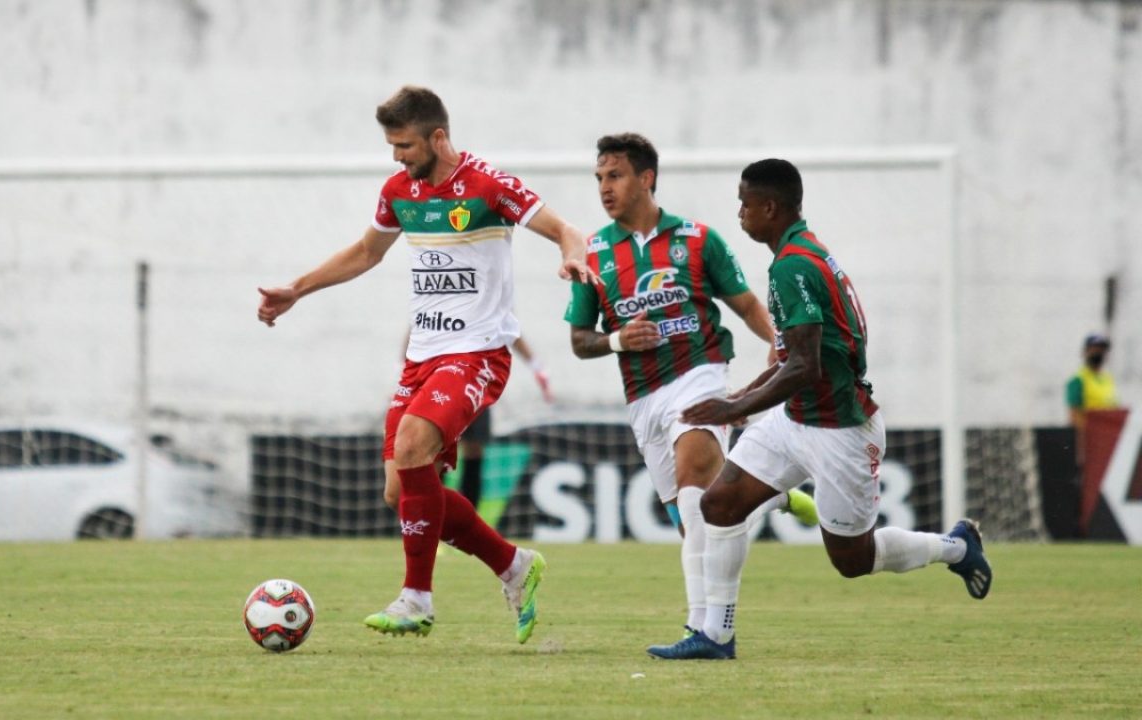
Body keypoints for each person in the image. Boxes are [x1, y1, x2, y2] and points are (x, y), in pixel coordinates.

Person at [257, 86, 597, 643]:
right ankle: (513, 565)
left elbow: (566, 229)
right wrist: (296, 290)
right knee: (403, 491)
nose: (397, 157)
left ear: (438, 137)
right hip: (422, 358)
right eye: (392, 146)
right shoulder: (399, 191)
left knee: (413, 448)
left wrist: (572, 253)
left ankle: (416, 599)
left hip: (478, 351)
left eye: (406, 145)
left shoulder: (489, 185)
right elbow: (366, 252)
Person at [669, 158, 993, 660]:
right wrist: (741, 405)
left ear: (770, 207)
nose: (739, 212)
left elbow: (804, 365)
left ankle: (955, 547)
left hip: (840, 430)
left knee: (853, 560)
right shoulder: (800, 252)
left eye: (744, 203)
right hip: (795, 418)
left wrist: (736, 403)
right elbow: (790, 357)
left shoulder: (793, 264)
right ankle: (715, 635)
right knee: (719, 504)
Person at [563, 134, 820, 658]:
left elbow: (746, 303)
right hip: (642, 399)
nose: (604, 188)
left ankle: (705, 631)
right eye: (599, 179)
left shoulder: (699, 240)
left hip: (699, 374)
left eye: (614, 176)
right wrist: (616, 339)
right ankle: (768, 497)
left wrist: (777, 341)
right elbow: (578, 340)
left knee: (695, 489)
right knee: (692, 520)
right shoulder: (593, 251)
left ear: (646, 178)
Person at [455, 335, 554, 511]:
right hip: (441, 380)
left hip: (476, 384)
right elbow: (417, 325)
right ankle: (429, 520)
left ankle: (466, 519)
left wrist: (537, 367)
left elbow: (511, 329)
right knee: (434, 452)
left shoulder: (490, 308)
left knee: (474, 451)